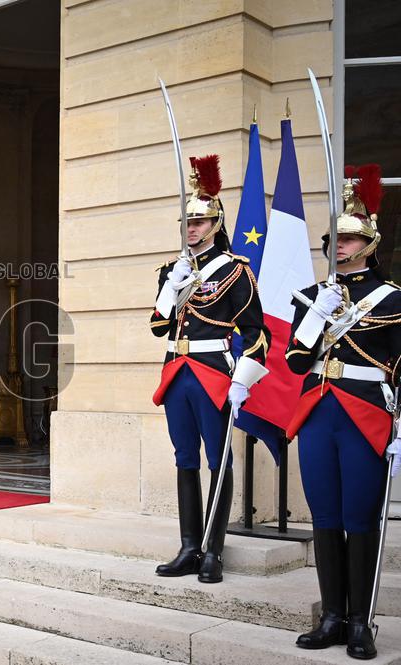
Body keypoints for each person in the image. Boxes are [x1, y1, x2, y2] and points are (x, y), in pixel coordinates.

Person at [285, 164, 400, 660]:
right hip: (317, 413)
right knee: (325, 516)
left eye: (351, 240)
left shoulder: (392, 298)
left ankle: (360, 622)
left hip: (365, 414)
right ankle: (332, 616)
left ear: (371, 242)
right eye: (337, 239)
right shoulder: (313, 296)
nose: (341, 246)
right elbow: (294, 360)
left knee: (360, 517)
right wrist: (315, 313)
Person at [150, 155, 270, 583]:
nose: (192, 229)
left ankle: (213, 551)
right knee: (185, 459)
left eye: (200, 222)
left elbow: (257, 334)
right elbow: (157, 325)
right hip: (176, 370)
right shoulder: (172, 269)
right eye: (187, 222)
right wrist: (173, 285)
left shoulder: (236, 270)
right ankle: (188, 545)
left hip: (213, 371)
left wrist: (243, 380)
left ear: (216, 224)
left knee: (219, 460)